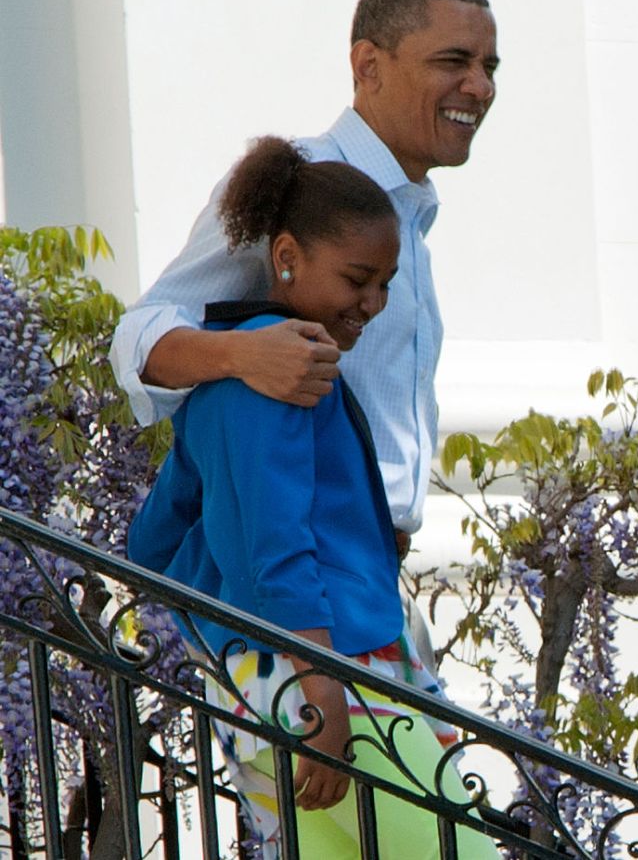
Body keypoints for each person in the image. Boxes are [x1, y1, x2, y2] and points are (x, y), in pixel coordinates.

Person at [128, 138, 500, 859]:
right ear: (287, 256)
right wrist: (323, 689)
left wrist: (227, 617)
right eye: (357, 279)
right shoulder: (284, 375)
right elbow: (280, 547)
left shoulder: (220, 376)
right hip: (329, 679)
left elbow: (152, 543)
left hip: (256, 683)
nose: (373, 304)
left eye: (385, 284)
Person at [110, 0, 499, 554]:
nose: (480, 87)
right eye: (453, 61)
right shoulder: (301, 185)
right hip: (298, 570)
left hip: (365, 571)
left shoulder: (409, 214)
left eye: (489, 67)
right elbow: (138, 335)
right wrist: (242, 354)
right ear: (368, 65)